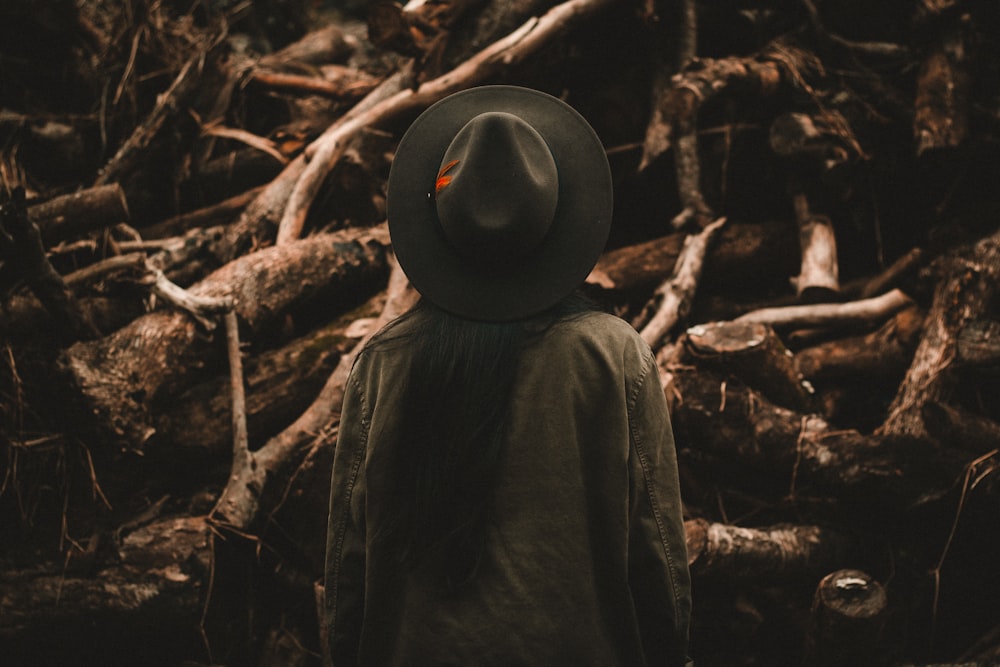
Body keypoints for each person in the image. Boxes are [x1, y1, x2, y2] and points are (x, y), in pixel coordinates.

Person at [324, 85, 692, 666]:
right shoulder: (616, 356)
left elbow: (349, 565)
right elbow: (658, 552)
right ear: (561, 215)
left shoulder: (382, 363)